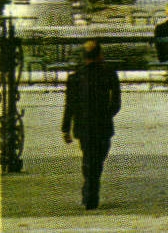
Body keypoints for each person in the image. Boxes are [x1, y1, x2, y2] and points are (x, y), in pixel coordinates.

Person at [61, 39, 121, 210]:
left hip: (83, 125)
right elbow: (116, 102)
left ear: (84, 57)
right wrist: (107, 115)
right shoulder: (109, 74)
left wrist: (66, 129)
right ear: (100, 55)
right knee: (98, 159)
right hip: (102, 125)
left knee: (89, 158)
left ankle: (89, 189)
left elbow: (70, 105)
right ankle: (91, 193)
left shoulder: (75, 77)